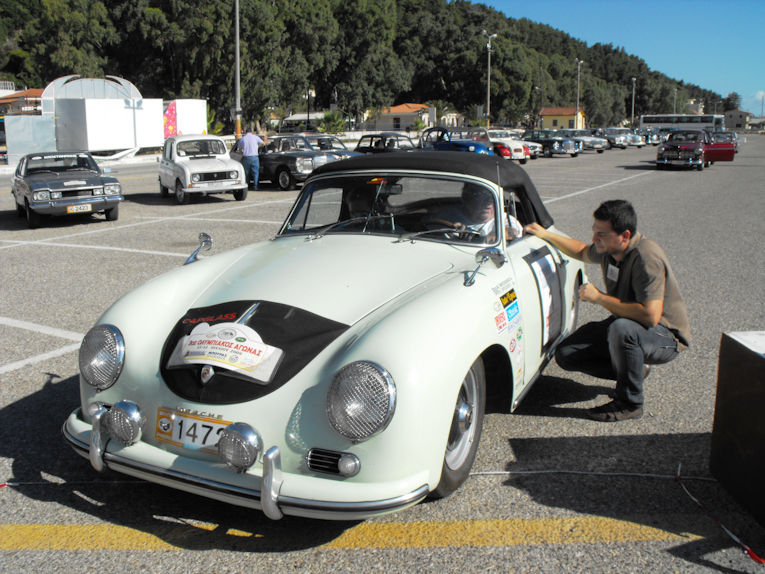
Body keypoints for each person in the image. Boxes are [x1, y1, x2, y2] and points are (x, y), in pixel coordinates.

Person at [524, 199, 690, 422]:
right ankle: (636, 371)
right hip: (629, 325)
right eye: (595, 232)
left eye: (601, 234)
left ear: (625, 236)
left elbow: (651, 316)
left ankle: (630, 403)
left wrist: (599, 297)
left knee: (622, 330)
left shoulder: (646, 257)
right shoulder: (609, 249)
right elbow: (582, 251)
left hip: (665, 335)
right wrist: (545, 235)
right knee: (567, 355)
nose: (594, 239)